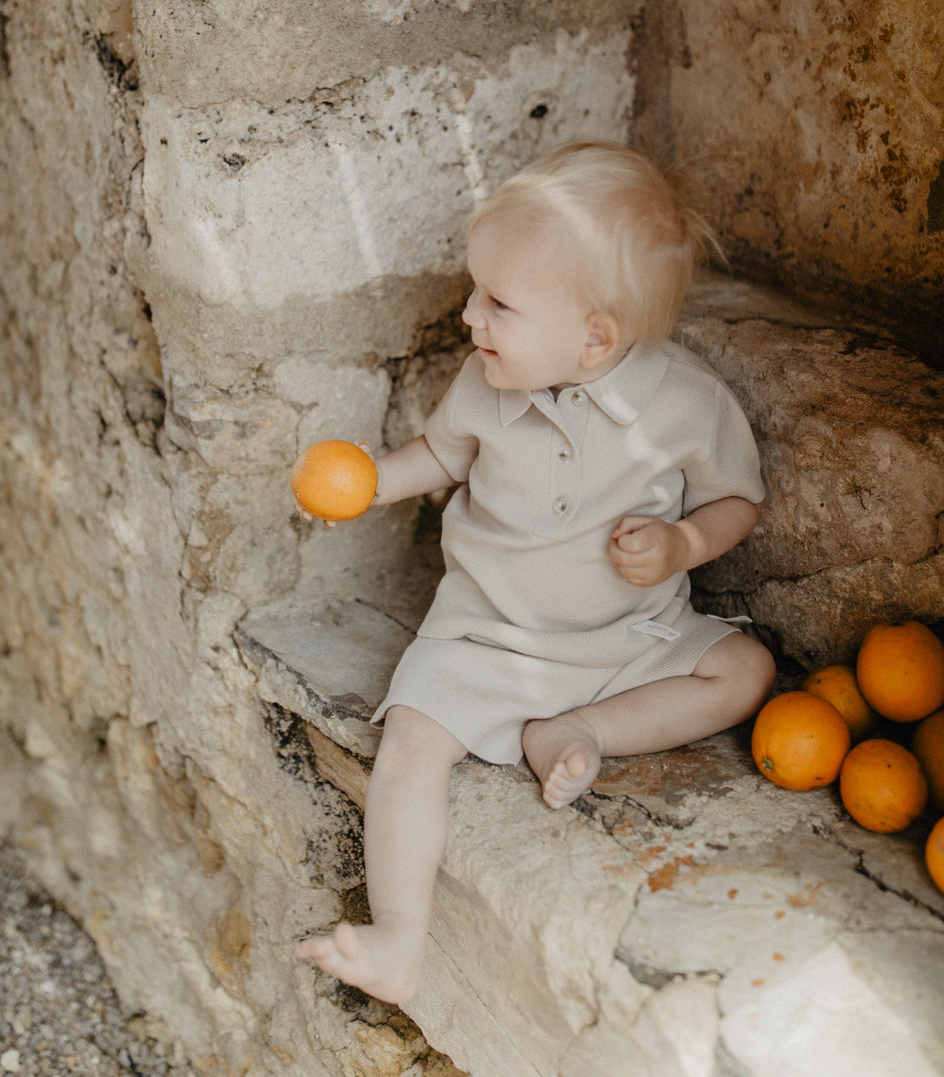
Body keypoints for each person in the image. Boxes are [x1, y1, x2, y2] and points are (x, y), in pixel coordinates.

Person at [296, 140, 775, 1004]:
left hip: (627, 637)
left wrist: (683, 548)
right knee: (408, 743)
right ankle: (399, 938)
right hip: (486, 633)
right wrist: (367, 484)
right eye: (478, 291)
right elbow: (439, 456)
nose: (472, 317)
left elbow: (738, 499)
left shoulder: (684, 405)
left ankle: (580, 729)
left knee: (745, 669)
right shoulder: (485, 385)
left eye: (499, 302)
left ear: (595, 338)